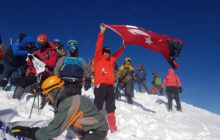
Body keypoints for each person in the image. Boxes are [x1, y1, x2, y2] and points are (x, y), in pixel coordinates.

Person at [10, 75, 108, 140]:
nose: (47, 98)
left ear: (54, 91)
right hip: (88, 127)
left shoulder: (69, 103)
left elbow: (54, 129)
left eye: (47, 95)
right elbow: (57, 123)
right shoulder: (66, 100)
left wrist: (29, 132)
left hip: (97, 130)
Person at [93, 23, 125, 133]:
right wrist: (102, 32)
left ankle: (113, 127)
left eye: (108, 52)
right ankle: (94, 126)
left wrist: (123, 47)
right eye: (105, 52)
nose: (106, 53)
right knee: (97, 106)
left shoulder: (111, 61)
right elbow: (98, 46)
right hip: (100, 85)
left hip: (110, 87)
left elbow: (116, 55)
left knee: (111, 107)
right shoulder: (98, 59)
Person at [13, 34, 58, 100]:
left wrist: (41, 60)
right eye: (39, 44)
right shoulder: (37, 51)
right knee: (23, 82)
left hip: (46, 73)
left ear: (45, 43)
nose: (40, 45)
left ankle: (46, 104)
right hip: (35, 72)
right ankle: (15, 98)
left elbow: (53, 64)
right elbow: (31, 64)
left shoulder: (52, 51)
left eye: (42, 44)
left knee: (45, 88)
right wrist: (31, 60)